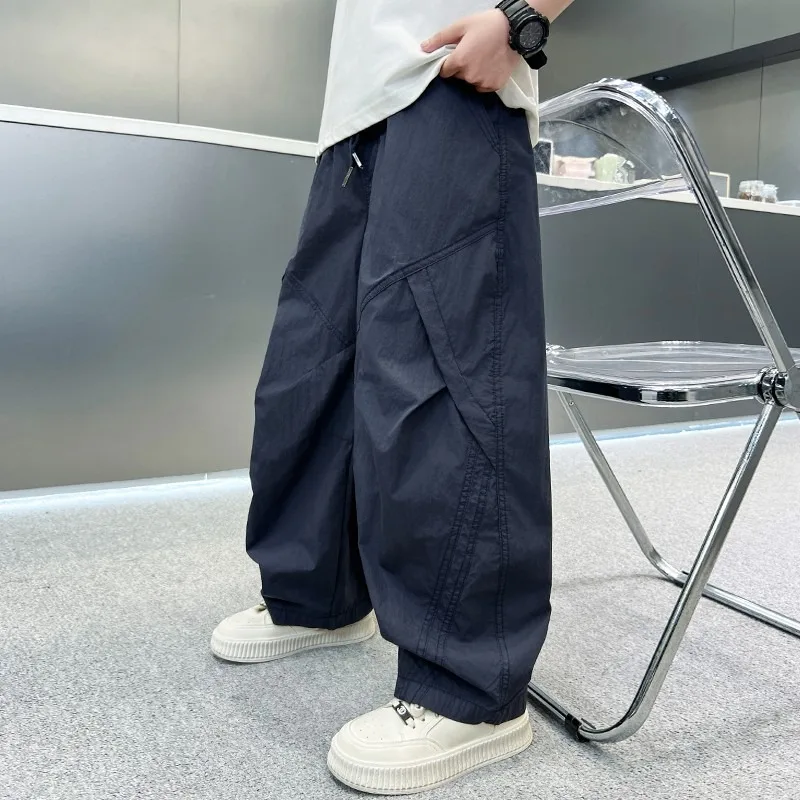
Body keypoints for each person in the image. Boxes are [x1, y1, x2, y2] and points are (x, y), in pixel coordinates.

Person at [212, 0, 575, 794]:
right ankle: (319, 595)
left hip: (453, 83)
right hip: (355, 113)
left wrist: (522, 17)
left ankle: (469, 686)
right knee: (311, 366)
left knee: (443, 374)